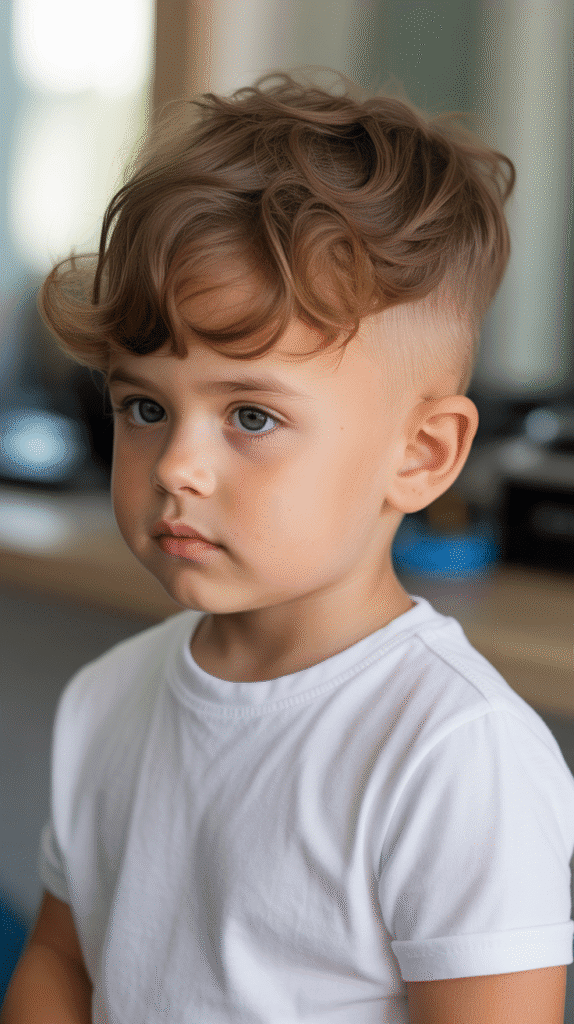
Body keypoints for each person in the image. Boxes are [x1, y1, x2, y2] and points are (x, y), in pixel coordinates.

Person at [2, 69, 573, 1024]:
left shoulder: (455, 755)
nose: (176, 464)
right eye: (145, 405)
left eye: (252, 415)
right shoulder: (108, 699)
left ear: (421, 456)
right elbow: (64, 961)